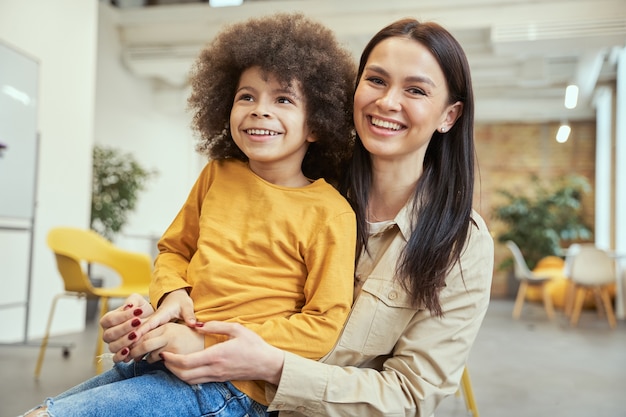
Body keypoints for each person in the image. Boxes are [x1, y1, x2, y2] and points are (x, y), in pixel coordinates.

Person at [101, 17, 493, 417]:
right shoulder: (289, 182)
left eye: (415, 90)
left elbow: (410, 396)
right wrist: (162, 310)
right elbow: (199, 264)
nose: (388, 101)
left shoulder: (461, 244)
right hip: (194, 378)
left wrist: (266, 363)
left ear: (449, 115)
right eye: (376, 80)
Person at [23, 12, 357, 417]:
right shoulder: (217, 174)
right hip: (163, 355)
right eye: (246, 96)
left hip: (230, 386)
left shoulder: (330, 213)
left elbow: (322, 326)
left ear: (317, 124)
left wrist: (205, 343)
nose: (258, 110)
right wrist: (171, 295)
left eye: (283, 99)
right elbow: (173, 251)